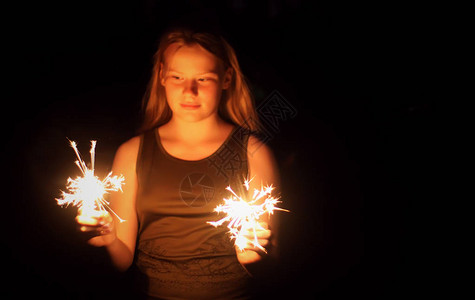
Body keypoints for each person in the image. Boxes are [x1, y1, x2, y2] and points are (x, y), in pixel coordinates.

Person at [77, 28, 281, 299]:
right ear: (162, 75)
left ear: (226, 78)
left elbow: (274, 262)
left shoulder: (252, 152)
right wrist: (106, 238)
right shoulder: (132, 153)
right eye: (177, 77)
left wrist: (254, 254)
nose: (189, 90)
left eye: (203, 78)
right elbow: (121, 259)